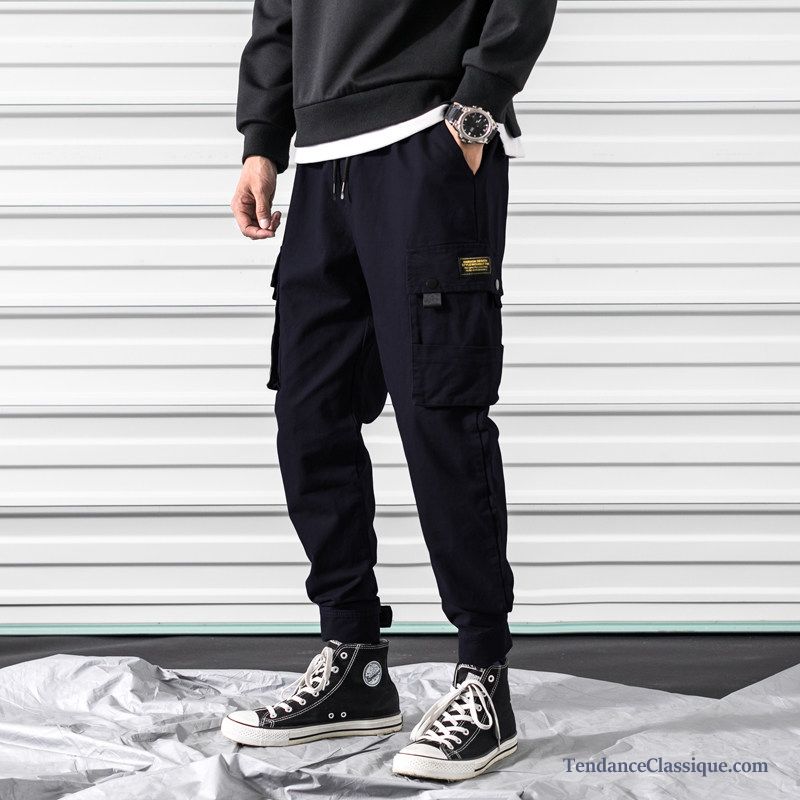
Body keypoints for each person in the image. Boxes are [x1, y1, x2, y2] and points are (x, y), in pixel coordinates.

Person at [221, 0, 557, 782]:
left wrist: (475, 111)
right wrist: (263, 139)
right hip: (322, 164)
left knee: (441, 414)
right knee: (311, 414)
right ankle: (356, 666)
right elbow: (279, 9)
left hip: (424, 144)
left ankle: (484, 677)